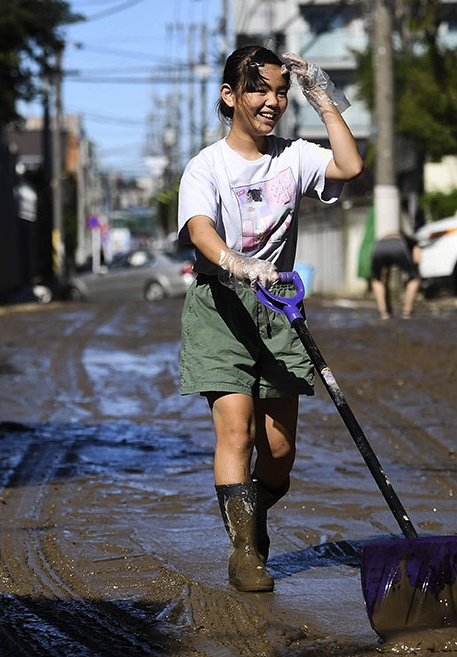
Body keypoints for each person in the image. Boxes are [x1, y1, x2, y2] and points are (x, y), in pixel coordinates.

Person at [177, 46, 364, 592]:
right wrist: (236, 262)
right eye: (259, 90)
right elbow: (199, 229)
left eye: (280, 92)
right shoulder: (206, 166)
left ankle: (254, 517)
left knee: (278, 451)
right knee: (236, 430)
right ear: (229, 96)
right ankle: (244, 553)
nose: (272, 102)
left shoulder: (294, 156)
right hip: (221, 304)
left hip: (278, 306)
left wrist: (322, 97)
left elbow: (350, 166)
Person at [368, 231, 421, 320]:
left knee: (377, 279)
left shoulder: (383, 238)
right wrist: (415, 270)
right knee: (414, 278)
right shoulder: (410, 239)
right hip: (398, 246)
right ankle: (407, 311)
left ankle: (383, 312)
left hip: (379, 246)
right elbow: (417, 256)